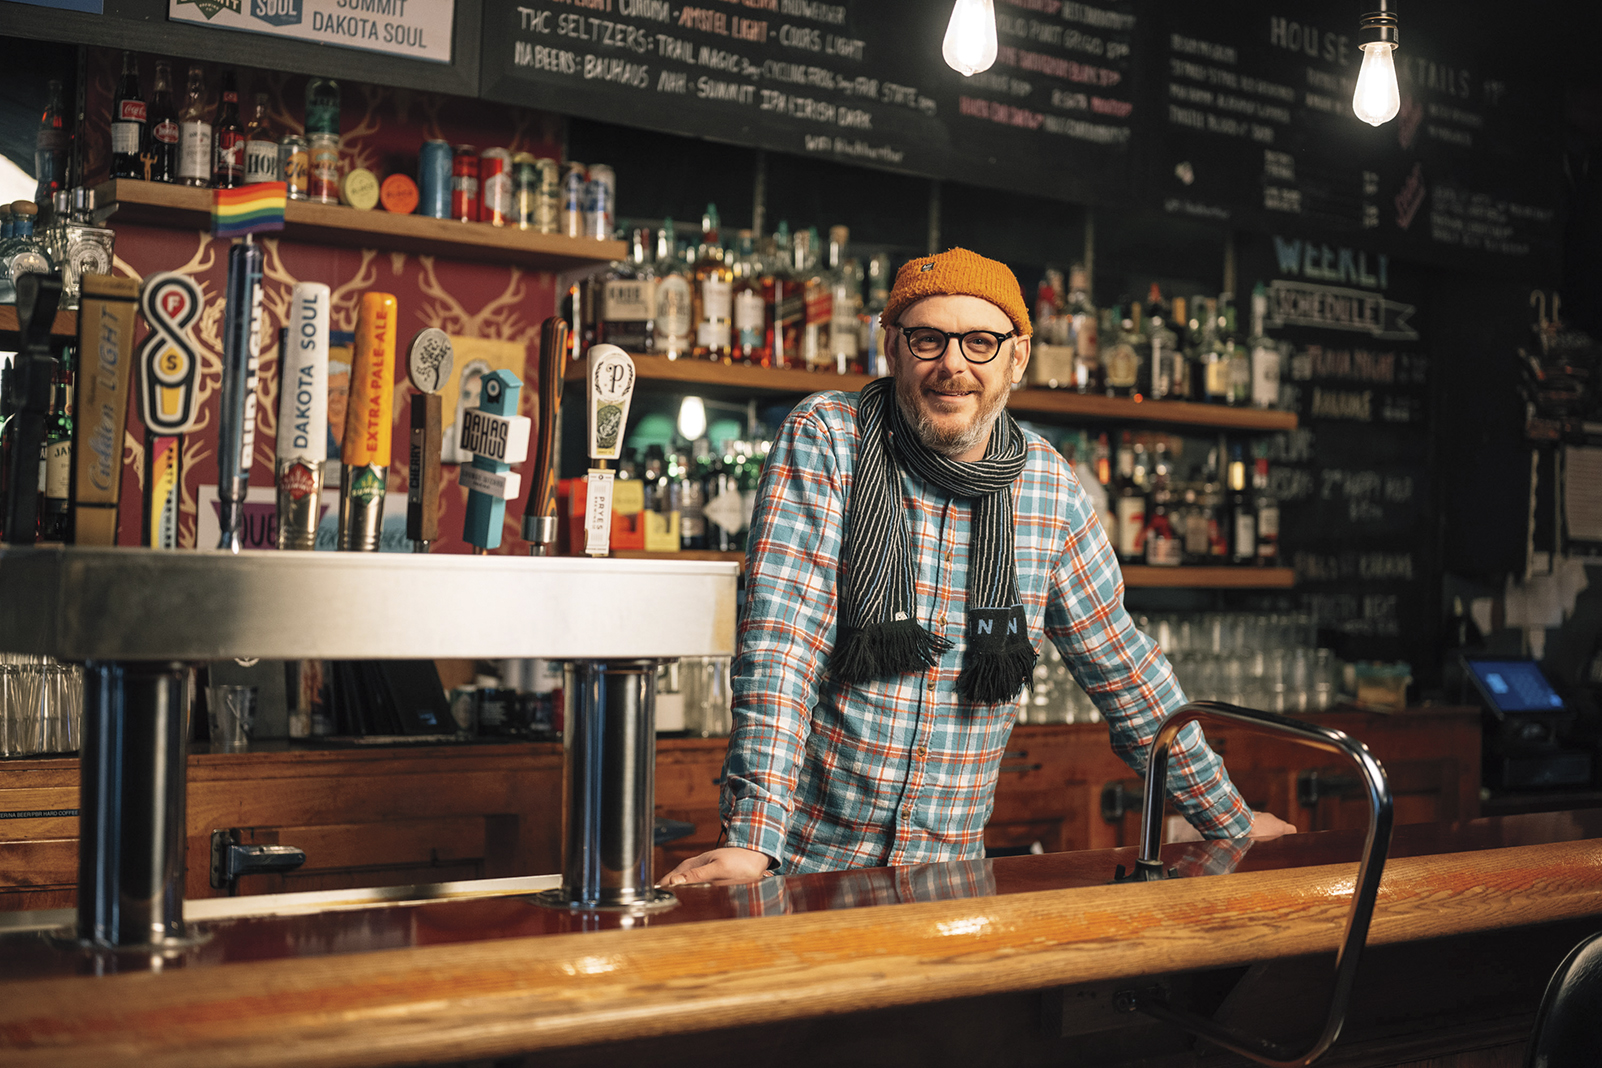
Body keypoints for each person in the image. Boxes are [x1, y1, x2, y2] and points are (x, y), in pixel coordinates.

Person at [661, 248, 1294, 886]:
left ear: (1017, 358)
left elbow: (1123, 668)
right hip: (802, 866)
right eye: (929, 339)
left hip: (950, 876)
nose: (953, 366)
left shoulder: (1048, 483)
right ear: (892, 347)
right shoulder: (828, 438)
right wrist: (752, 839)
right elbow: (782, 644)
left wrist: (1227, 819)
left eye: (981, 342)